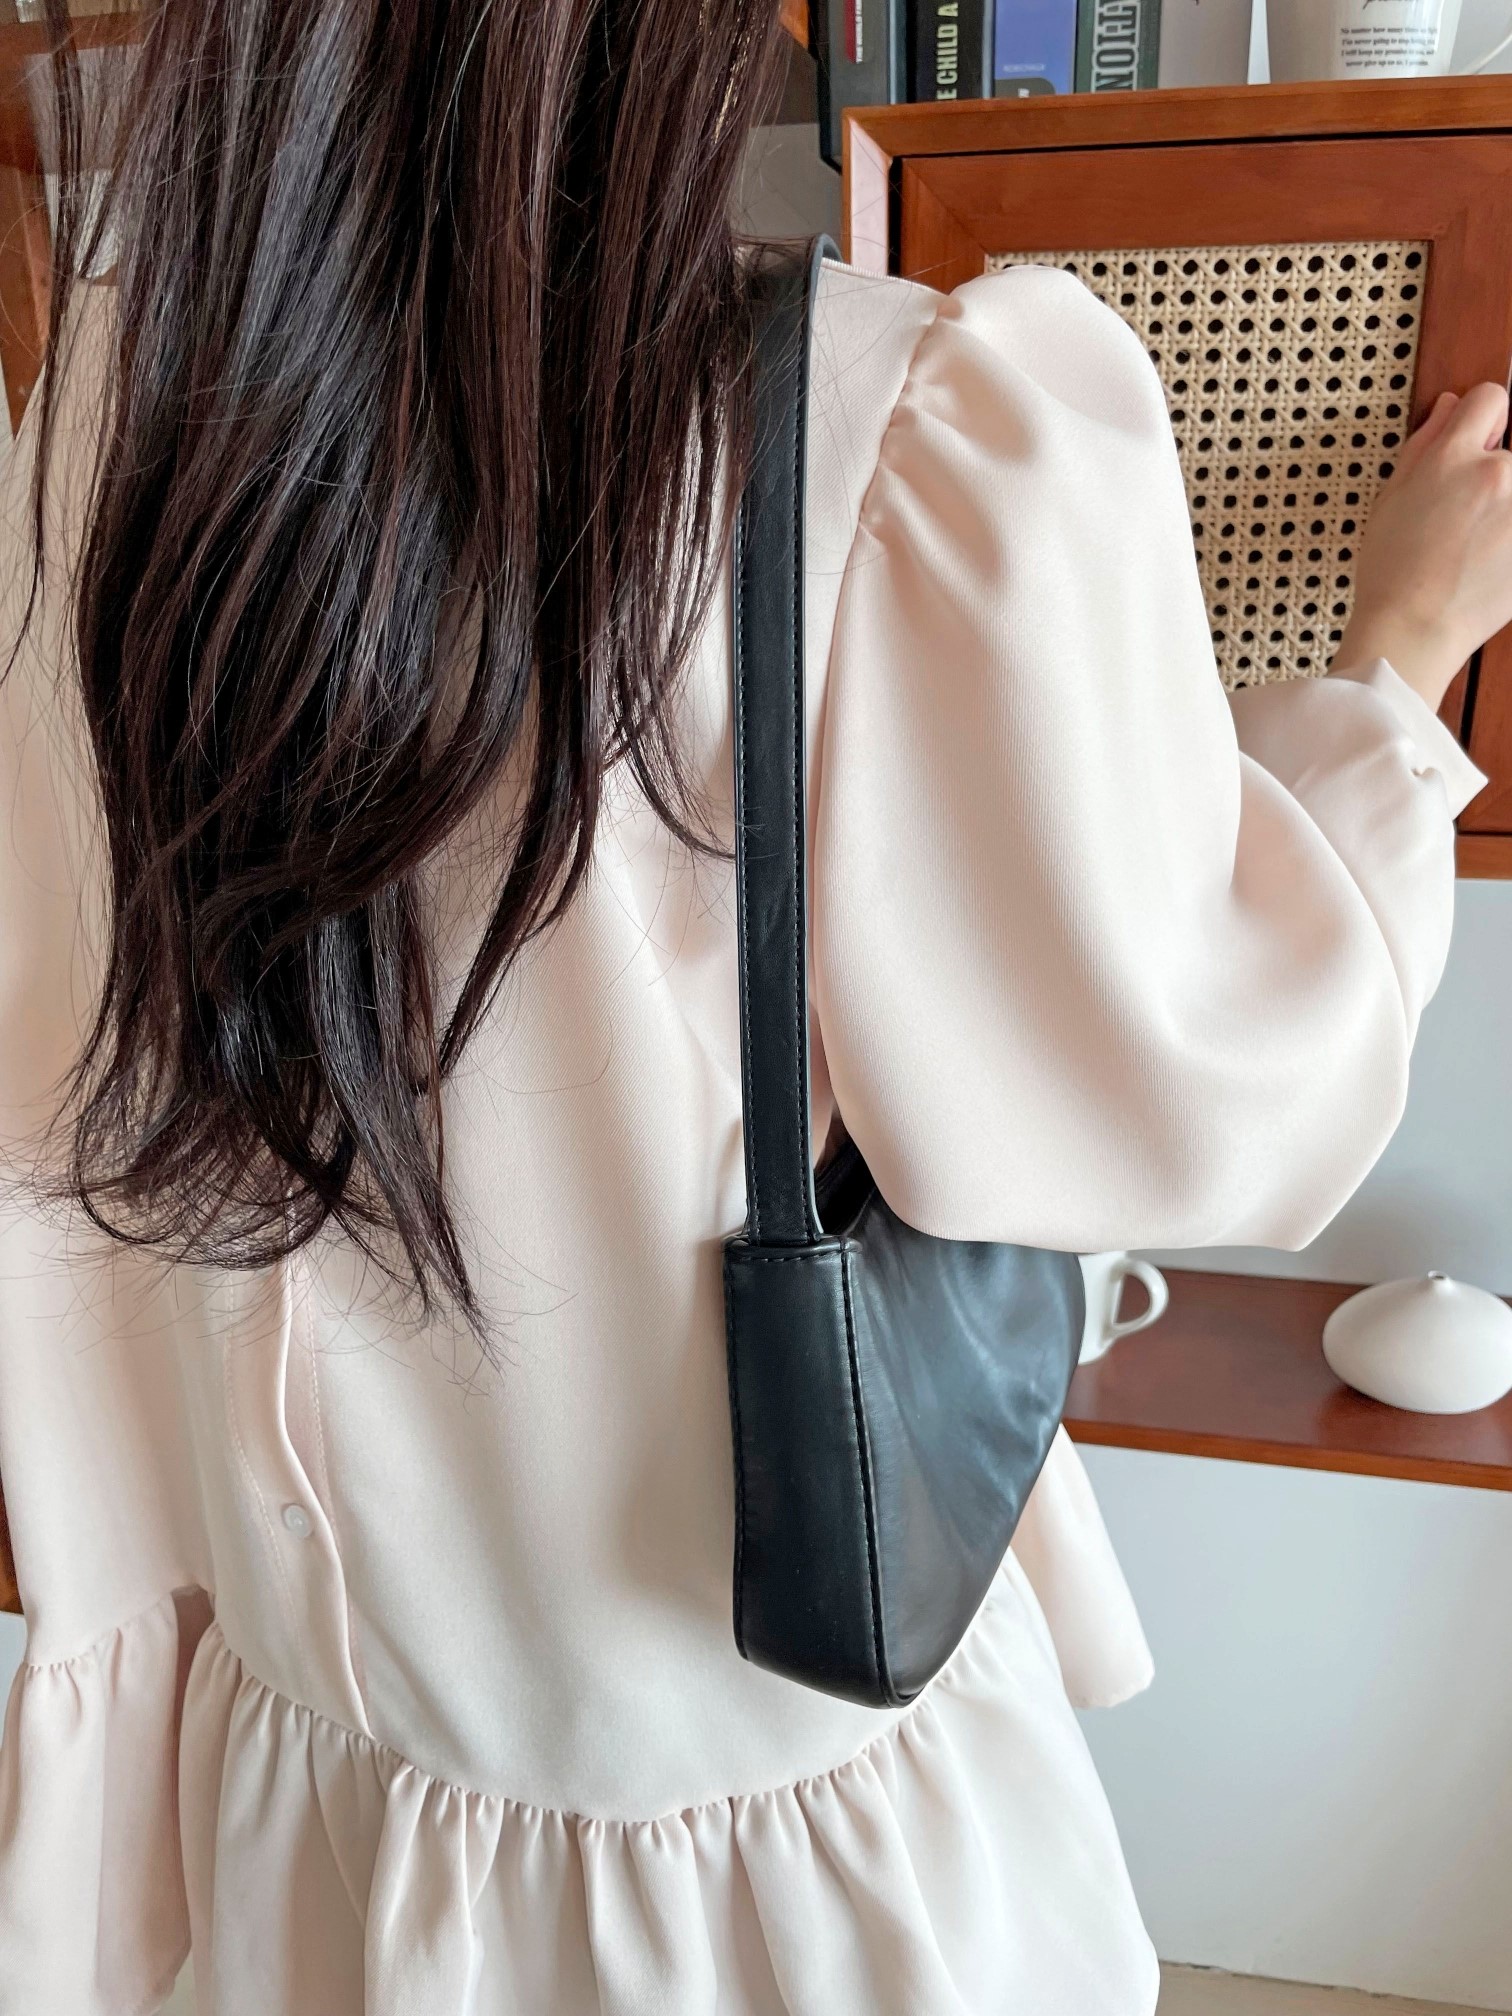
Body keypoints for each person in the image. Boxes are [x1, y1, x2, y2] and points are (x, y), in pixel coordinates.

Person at [0, 4, 1504, 2011]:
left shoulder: (99, 424)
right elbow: (1216, 1094)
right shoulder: (893, 425)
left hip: (322, 1825)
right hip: (785, 1864)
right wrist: (1397, 664)